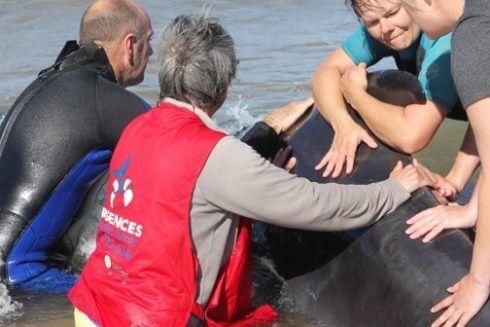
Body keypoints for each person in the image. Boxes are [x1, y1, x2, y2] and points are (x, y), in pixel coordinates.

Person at [68, 14, 434, 327]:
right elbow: (317, 205)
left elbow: (181, 200)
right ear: (223, 88)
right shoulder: (220, 157)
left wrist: (259, 179)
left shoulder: (140, 127)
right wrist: (393, 189)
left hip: (91, 305)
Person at [397, 0, 490, 326]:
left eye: (409, 8)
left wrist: (478, 282)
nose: (411, 20)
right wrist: (471, 208)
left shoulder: (473, 36)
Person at [311, 0, 467, 186]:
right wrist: (343, 123)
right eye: (372, 22)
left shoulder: (446, 39)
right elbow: (324, 72)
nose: (385, 29)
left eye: (393, 13)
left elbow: (412, 137)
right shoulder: (383, 26)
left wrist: (356, 96)